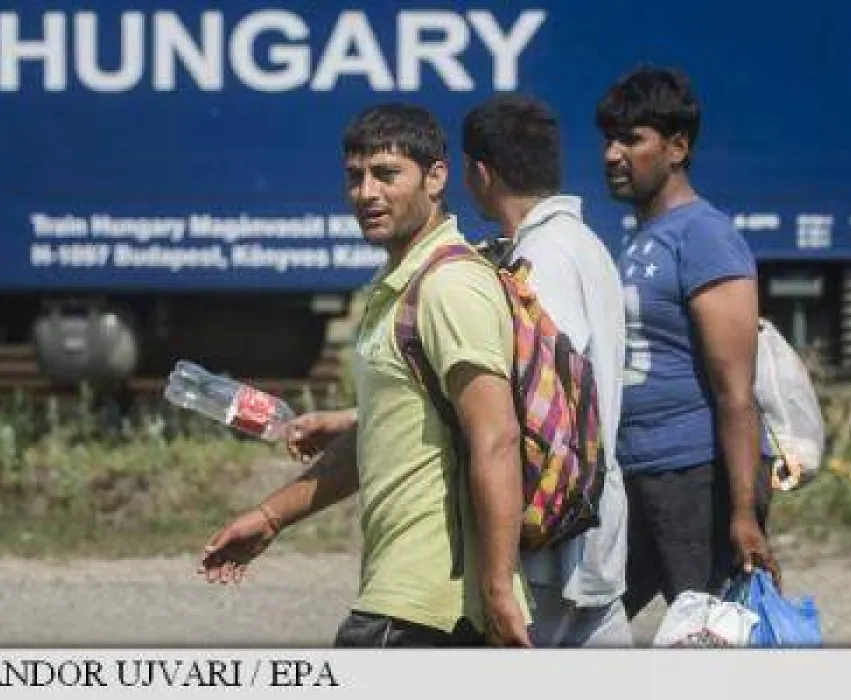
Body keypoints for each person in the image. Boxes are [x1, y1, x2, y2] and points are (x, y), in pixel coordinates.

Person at [198, 103, 532, 648]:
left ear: (436, 178)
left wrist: (497, 590)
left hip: (432, 609)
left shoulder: (450, 286)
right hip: (406, 602)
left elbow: (496, 438)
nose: (366, 193)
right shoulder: (400, 282)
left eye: (386, 174)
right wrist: (271, 516)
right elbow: (379, 438)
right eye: (356, 177)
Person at [595, 66, 779, 620]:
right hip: (635, 471)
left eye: (632, 140)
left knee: (704, 633)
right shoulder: (642, 238)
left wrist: (742, 513)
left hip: (694, 475)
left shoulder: (705, 236)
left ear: (677, 148)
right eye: (609, 140)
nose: (612, 155)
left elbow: (735, 390)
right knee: (592, 622)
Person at [461, 94, 631, 647]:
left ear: (481, 172)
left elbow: (541, 399)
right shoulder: (584, 244)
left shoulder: (542, 259)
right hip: (593, 523)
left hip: (554, 538)